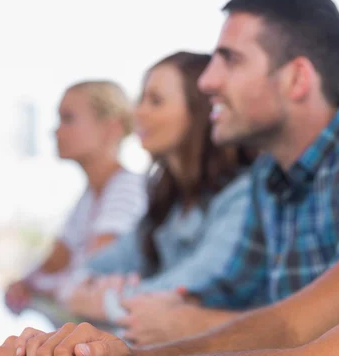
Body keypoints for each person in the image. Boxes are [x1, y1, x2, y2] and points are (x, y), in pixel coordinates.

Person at [70, 0, 339, 346]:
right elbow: (229, 286)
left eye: (230, 60)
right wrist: (176, 305)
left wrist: (190, 322)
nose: (207, 81)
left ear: (297, 79)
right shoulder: (269, 174)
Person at [57, 52, 255, 327]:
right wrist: (86, 292)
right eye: (141, 100)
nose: (137, 112)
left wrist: (101, 298)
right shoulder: (169, 205)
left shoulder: (242, 198)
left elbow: (185, 291)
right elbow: (85, 270)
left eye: (156, 101)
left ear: (199, 110)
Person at [4, 80, 147, 317]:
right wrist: (24, 284)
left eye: (68, 119)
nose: (56, 131)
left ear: (112, 128)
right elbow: (56, 259)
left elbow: (87, 277)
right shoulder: (92, 195)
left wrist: (34, 287)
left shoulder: (128, 190)